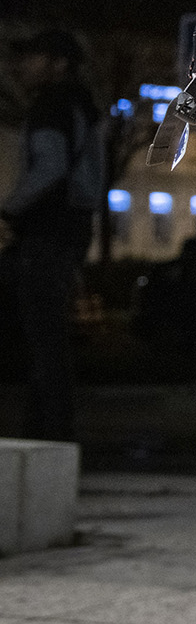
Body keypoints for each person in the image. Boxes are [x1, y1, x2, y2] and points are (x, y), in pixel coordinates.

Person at [1, 28, 101, 442]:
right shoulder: (82, 105)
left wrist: (8, 209)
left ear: (58, 64)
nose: (21, 66)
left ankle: (48, 436)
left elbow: (49, 168)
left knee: (43, 338)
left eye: (33, 57)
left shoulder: (52, 105)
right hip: (71, 229)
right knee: (49, 337)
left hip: (47, 232)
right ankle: (48, 433)